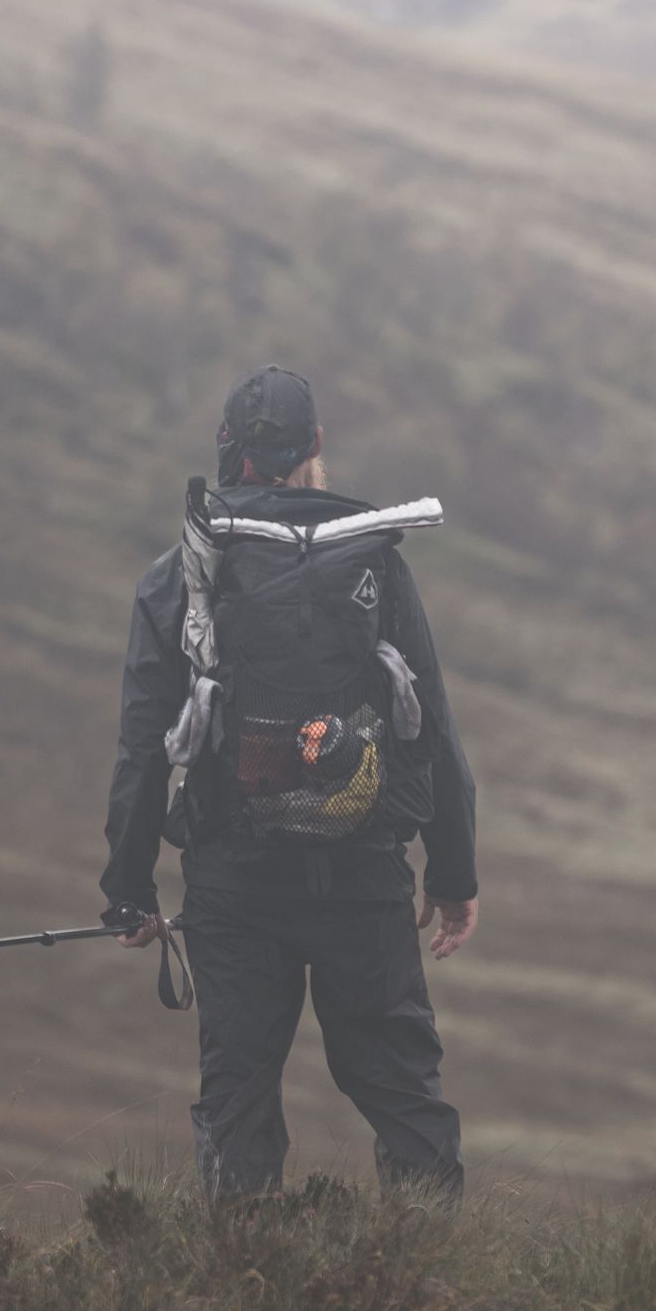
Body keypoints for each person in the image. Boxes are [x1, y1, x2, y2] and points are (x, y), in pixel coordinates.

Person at [100, 365, 478, 1201]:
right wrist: (453, 877)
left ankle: (242, 1289)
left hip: (235, 880)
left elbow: (144, 749)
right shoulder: (373, 559)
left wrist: (128, 892)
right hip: (365, 869)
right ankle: (429, 1289)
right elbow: (432, 723)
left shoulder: (181, 576)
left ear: (228, 454)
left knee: (238, 1099)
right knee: (401, 1092)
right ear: (314, 453)